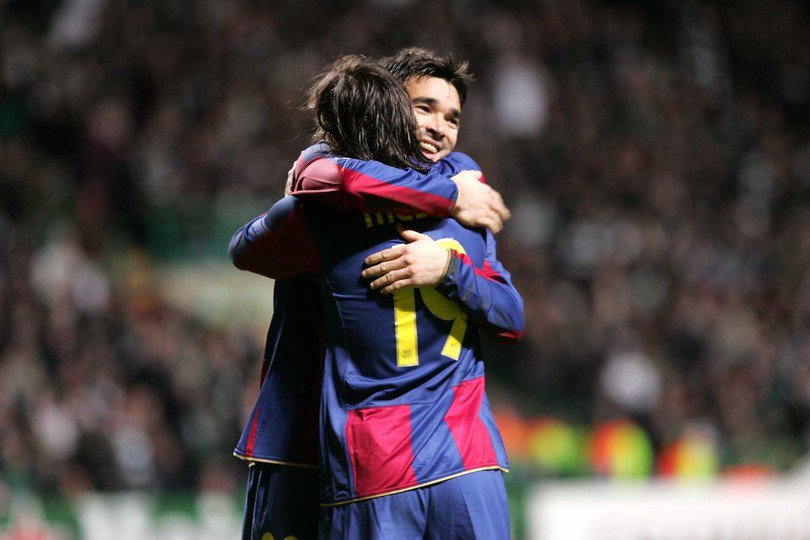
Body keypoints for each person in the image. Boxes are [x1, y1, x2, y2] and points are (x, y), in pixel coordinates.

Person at [232, 55, 523, 538]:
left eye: (452, 118)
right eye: (424, 108)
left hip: (362, 454)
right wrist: (450, 213)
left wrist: (446, 268)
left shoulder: (318, 208)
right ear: (389, 106)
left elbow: (244, 249)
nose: (439, 127)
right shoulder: (464, 194)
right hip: (349, 447)